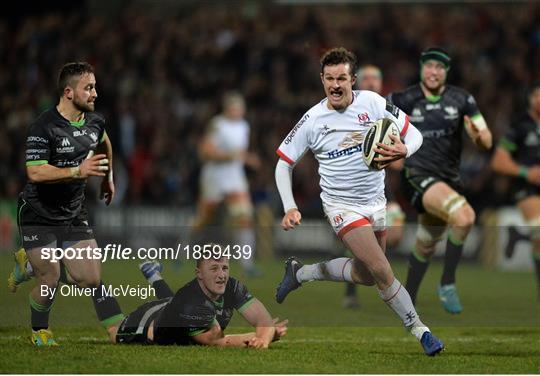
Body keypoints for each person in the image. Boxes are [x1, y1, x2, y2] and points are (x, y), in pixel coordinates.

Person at [274, 47, 443, 356]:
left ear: (352, 80)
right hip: (341, 206)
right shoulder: (312, 120)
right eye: (329, 79)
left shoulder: (374, 103)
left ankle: (300, 273)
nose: (335, 85)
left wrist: (406, 150)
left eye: (341, 78)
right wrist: (290, 206)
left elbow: (414, 135)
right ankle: (421, 331)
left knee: (366, 275)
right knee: (381, 269)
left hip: (376, 202)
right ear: (322, 80)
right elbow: (283, 163)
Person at [8, 62, 124, 345]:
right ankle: (40, 331)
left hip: (73, 213)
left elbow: (104, 143)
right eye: (89, 87)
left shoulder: (95, 122)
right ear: (69, 92)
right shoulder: (44, 126)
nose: (95, 93)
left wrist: (108, 178)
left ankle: (29, 265)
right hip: (38, 212)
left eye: (95, 86)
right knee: (51, 278)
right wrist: (77, 171)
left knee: (91, 278)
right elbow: (35, 172)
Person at [388, 47, 493, 314]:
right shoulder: (404, 99)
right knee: (465, 216)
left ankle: (406, 299)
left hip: (448, 180)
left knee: (427, 241)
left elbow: (486, 139)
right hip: (416, 176)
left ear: (446, 71)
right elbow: (377, 124)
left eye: (439, 67)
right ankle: (447, 283)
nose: (433, 72)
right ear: (421, 69)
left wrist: (478, 137)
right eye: (429, 66)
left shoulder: (462, 99)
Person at [108, 257, 287, 347]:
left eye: (225, 268)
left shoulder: (232, 286)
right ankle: (93, 283)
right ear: (199, 274)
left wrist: (265, 334)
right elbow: (218, 343)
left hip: (173, 308)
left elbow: (263, 322)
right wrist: (266, 338)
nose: (221, 275)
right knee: (113, 330)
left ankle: (152, 274)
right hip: (147, 325)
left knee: (173, 303)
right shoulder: (191, 303)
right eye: (214, 268)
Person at [342, 64, 406, 309]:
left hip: (384, 189)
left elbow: (399, 165)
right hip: (356, 191)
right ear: (359, 83)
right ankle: (356, 291)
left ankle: (375, 274)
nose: (370, 82)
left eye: (375, 78)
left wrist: (388, 153)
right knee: (366, 243)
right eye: (366, 78)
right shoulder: (350, 112)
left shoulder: (389, 113)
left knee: (396, 234)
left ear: (381, 84)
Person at [193, 92, 261, 277]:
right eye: (235, 108)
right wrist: (228, 156)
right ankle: (180, 253)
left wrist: (248, 159)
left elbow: (238, 153)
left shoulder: (243, 126)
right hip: (215, 177)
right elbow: (205, 151)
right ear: (228, 108)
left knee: (244, 218)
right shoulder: (218, 124)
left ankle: (247, 264)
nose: (238, 111)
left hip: (234, 178)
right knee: (203, 219)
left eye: (240, 108)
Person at [490, 83, 540, 299]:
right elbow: (498, 161)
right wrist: (525, 172)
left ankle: (519, 236)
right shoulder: (520, 127)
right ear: (529, 99)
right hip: (526, 189)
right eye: (537, 95)